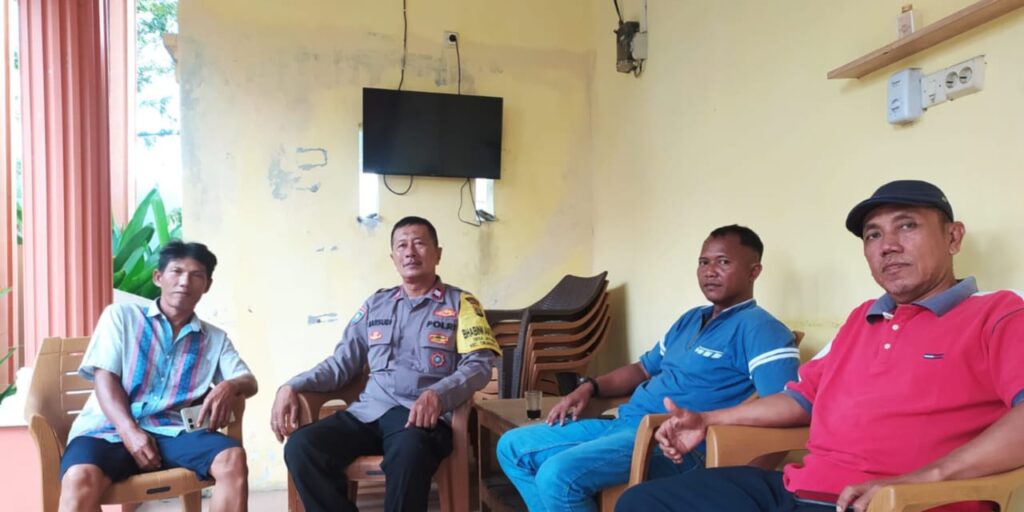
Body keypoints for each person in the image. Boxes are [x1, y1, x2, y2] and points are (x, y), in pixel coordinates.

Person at [617, 180, 1024, 512]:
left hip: (901, 502)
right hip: (799, 491)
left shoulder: (998, 313)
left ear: (953, 237)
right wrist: (708, 419)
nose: (888, 245)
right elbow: (800, 399)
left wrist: (924, 478)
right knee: (645, 502)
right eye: (873, 234)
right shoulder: (863, 318)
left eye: (907, 226)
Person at [497, 225, 801, 512]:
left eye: (723, 262)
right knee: (511, 447)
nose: (710, 271)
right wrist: (589, 387)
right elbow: (643, 369)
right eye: (703, 262)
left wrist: (743, 482)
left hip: (670, 443)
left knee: (557, 475)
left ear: (753, 271)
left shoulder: (761, 329)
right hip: (626, 422)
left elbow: (782, 408)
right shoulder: (691, 319)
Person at [273, 215, 500, 512]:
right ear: (393, 257)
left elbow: (479, 365)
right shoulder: (376, 304)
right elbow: (341, 364)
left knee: (409, 451)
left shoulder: (461, 303)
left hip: (420, 418)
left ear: (438, 253)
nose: (410, 252)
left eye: (419, 243)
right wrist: (291, 385)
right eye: (402, 246)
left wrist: (438, 394)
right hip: (368, 413)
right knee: (302, 447)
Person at [59, 241, 258, 512]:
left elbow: (249, 381)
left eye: (196, 275)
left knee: (231, 458)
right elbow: (105, 377)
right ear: (158, 277)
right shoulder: (121, 317)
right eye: (176, 271)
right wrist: (129, 431)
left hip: (173, 433)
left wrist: (229, 385)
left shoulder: (214, 339)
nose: (184, 282)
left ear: (207, 285)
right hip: (109, 430)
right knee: (79, 477)